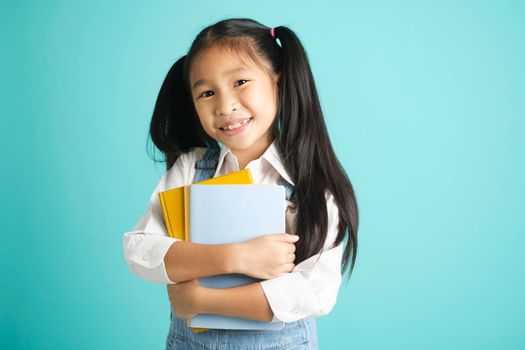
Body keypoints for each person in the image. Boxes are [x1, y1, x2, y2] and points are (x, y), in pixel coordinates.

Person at [122, 17, 359, 350]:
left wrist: (200, 300)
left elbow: (313, 292)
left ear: (278, 81)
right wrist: (234, 257)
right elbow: (140, 250)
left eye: (241, 82)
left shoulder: (312, 187)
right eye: (206, 93)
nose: (225, 106)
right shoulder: (190, 169)